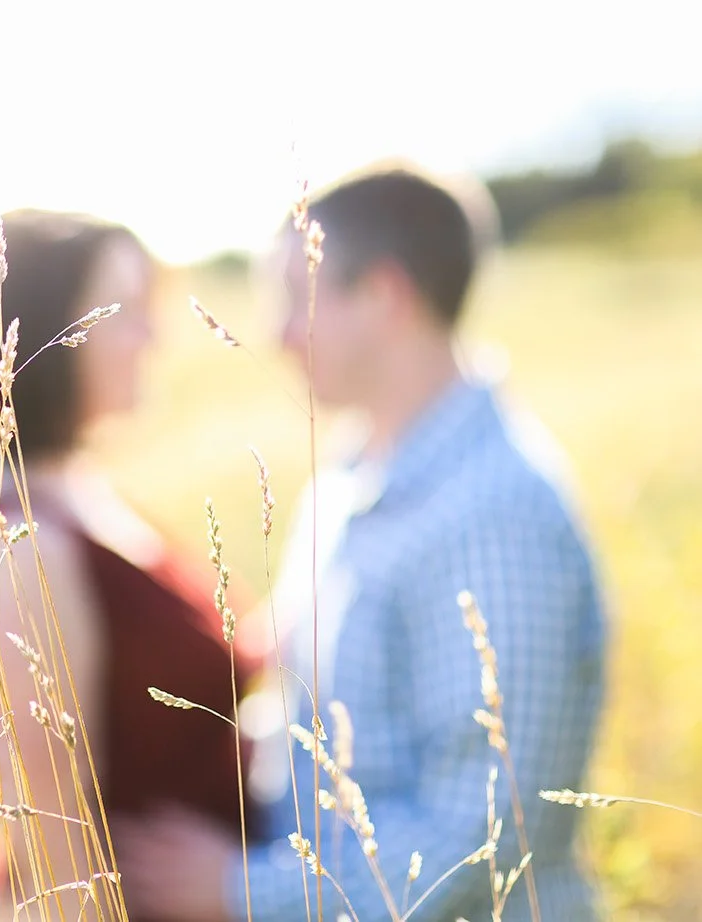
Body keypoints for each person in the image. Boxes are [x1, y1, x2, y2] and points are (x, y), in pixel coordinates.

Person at [114, 164, 607, 920]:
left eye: (294, 299)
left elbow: (486, 839)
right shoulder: (348, 475)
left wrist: (238, 890)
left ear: (382, 296)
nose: (276, 335)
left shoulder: (493, 512)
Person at [0, 209, 270, 922]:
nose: (153, 336)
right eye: (124, 312)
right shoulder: (17, 551)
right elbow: (54, 849)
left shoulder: (88, 498)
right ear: (47, 332)